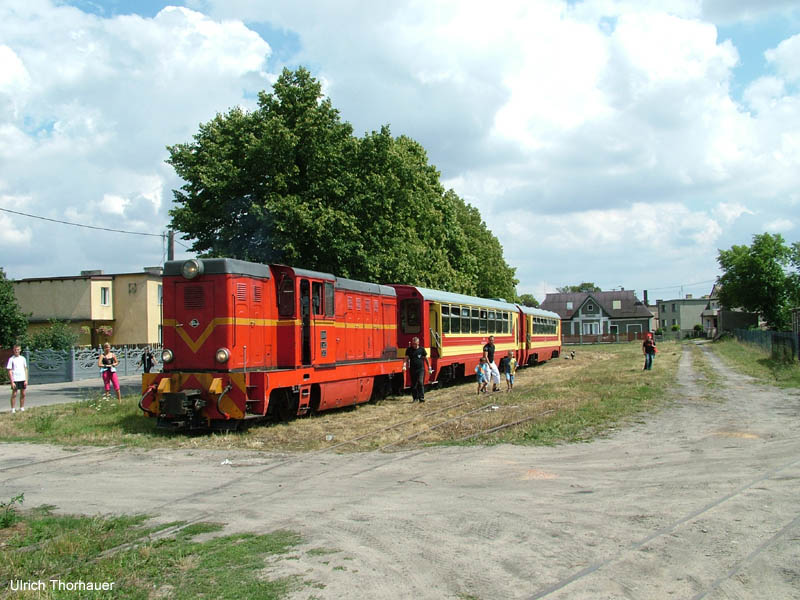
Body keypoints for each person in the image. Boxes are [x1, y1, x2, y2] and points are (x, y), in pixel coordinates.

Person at [403, 337, 432, 403]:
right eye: (413, 344)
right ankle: (415, 399)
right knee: (413, 384)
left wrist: (429, 367)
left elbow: (426, 359)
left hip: (421, 369)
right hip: (412, 369)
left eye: (415, 344)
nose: (414, 345)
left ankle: (421, 398)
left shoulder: (422, 350)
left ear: (418, 343)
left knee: (420, 382)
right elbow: (406, 359)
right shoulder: (409, 350)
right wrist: (404, 365)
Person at [6, 344, 28, 413]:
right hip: (15, 379)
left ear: (20, 350)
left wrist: (26, 380)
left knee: (23, 393)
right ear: (13, 350)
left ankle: (21, 407)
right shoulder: (11, 359)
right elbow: (9, 370)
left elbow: (25, 369)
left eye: (18, 350)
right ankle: (13, 409)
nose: (17, 351)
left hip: (22, 378)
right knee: (14, 394)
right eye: (15, 350)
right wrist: (12, 382)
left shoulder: (23, 358)